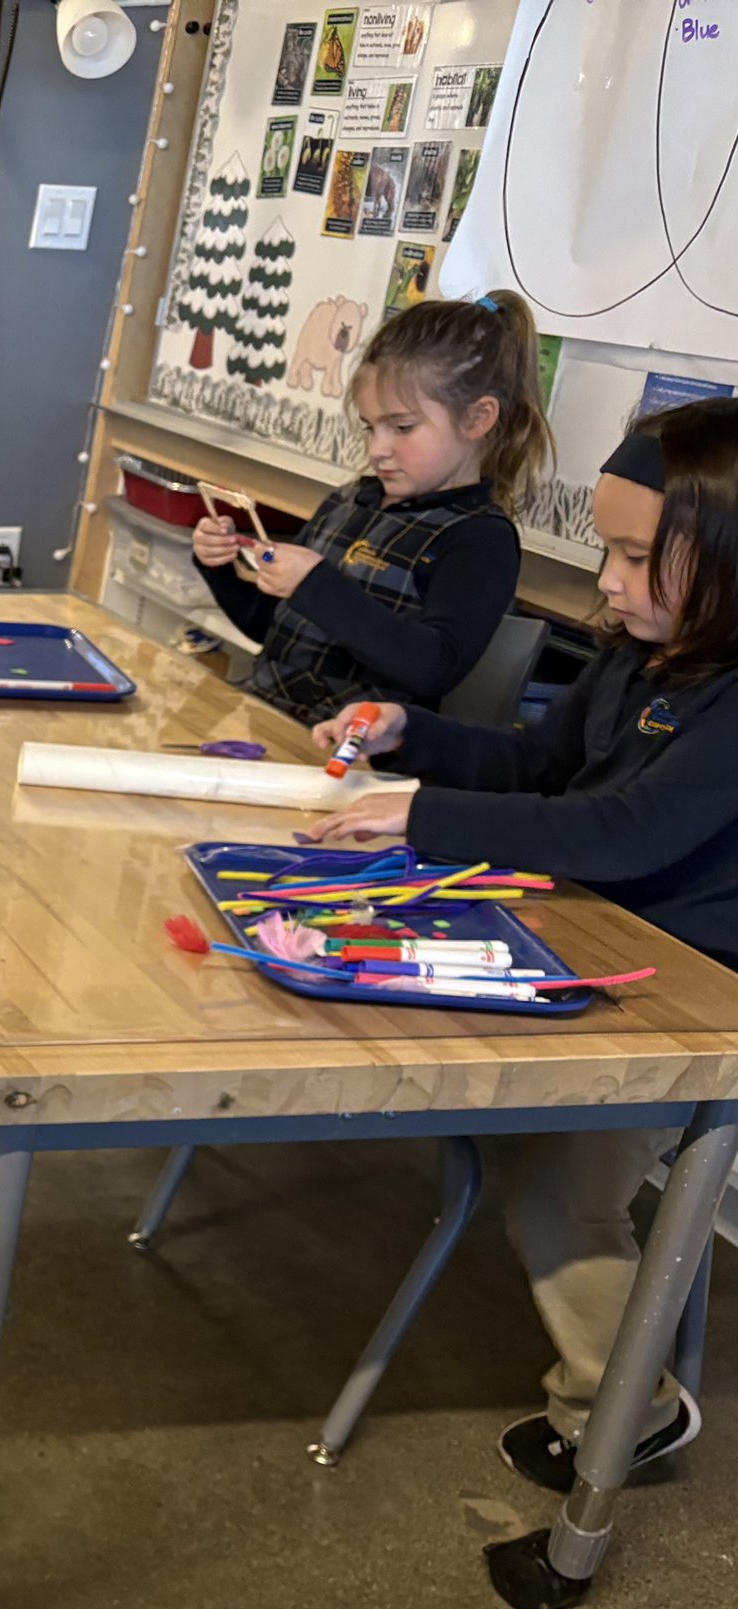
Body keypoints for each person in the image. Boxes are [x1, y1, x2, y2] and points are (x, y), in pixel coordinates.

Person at [308, 396, 738, 1491]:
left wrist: (418, 815)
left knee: (558, 1193)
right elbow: (535, 768)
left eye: (640, 558)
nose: (606, 578)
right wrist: (411, 740)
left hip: (690, 1002)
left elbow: (623, 832)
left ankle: (626, 1407)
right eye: (606, 547)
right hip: (586, 945)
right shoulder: (642, 652)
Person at [192, 291, 551, 726]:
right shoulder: (348, 502)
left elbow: (430, 668)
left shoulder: (480, 539)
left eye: (402, 427)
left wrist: (316, 585)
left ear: (478, 419)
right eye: (370, 427)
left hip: (355, 760)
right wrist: (220, 566)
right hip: (269, 724)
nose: (378, 449)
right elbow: (274, 631)